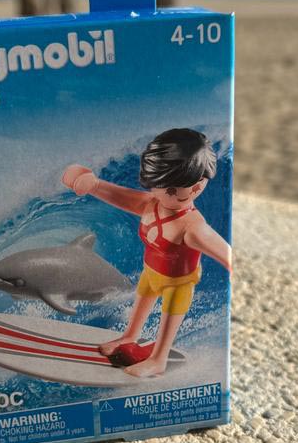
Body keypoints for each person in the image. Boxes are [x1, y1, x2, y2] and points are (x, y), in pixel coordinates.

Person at [62, 128, 231, 377]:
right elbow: (119, 196)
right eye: (156, 184)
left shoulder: (193, 227)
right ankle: (129, 337)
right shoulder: (152, 204)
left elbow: (227, 254)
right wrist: (93, 185)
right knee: (141, 303)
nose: (159, 192)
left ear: (196, 187)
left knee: (168, 317)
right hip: (150, 273)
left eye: (170, 189)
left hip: (177, 284)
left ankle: (158, 359)